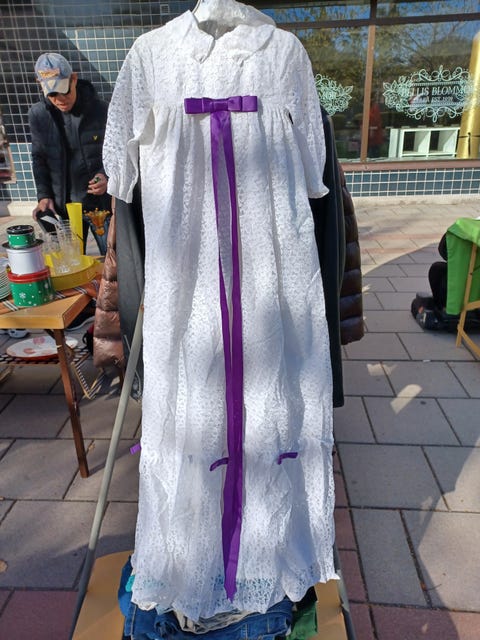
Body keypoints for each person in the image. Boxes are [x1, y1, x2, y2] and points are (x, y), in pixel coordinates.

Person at [28, 52, 111, 256]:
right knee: (70, 263)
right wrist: (44, 196)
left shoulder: (101, 110)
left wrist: (106, 175)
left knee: (113, 261)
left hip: (100, 206)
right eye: (52, 94)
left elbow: (117, 152)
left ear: (73, 79)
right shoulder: (38, 115)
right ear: (41, 86)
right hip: (64, 208)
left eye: (64, 90)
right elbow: (39, 158)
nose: (60, 99)